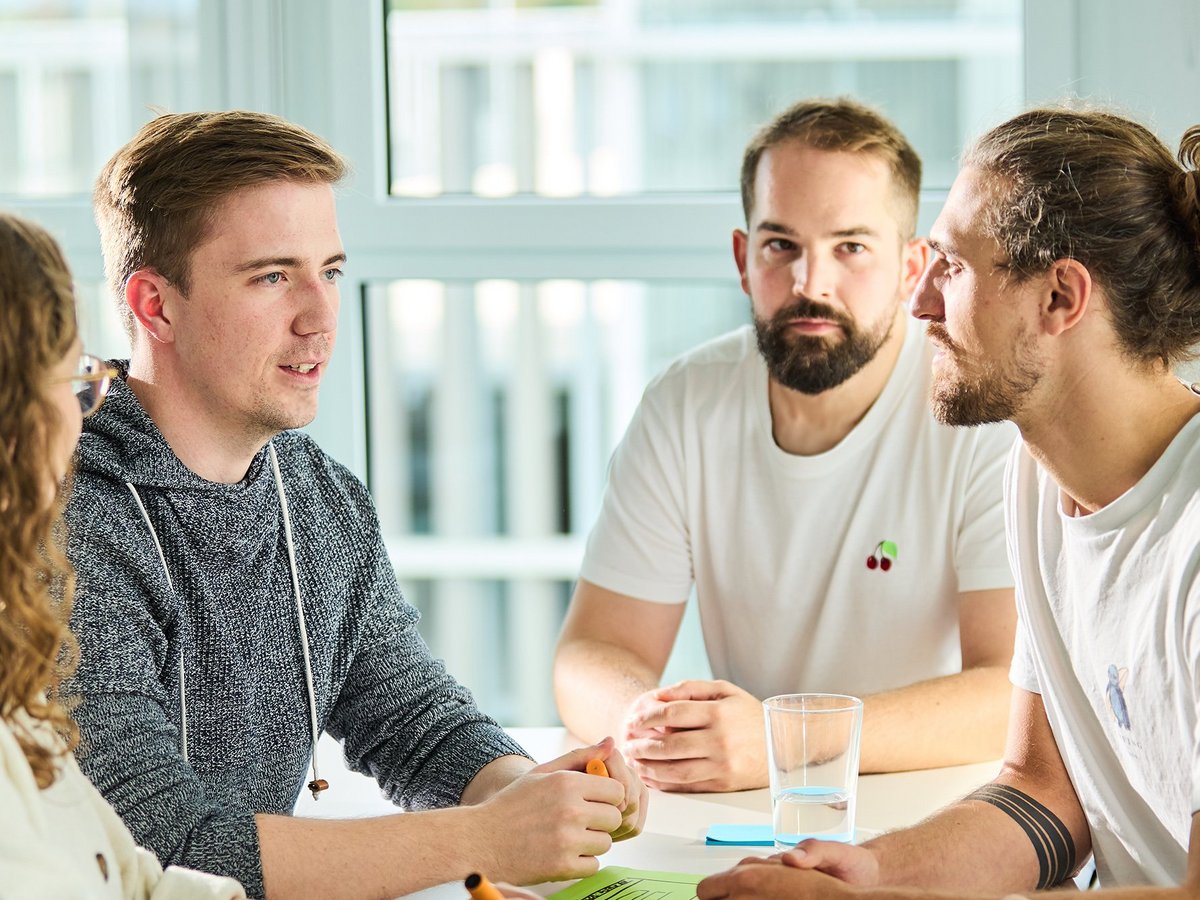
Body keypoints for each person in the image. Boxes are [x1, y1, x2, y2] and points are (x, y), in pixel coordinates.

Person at [64, 110, 646, 900]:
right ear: (155, 304)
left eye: (329, 271)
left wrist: (533, 790)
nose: (320, 315)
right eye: (273, 276)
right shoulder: (66, 517)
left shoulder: (316, 492)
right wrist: (481, 839)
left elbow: (411, 717)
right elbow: (154, 838)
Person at [696, 106, 1200, 899]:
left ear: (1060, 297)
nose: (919, 300)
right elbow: (1042, 795)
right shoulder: (1039, 481)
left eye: (954, 268)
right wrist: (868, 873)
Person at [553, 97, 1018, 792]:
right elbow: (592, 651)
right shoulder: (687, 402)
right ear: (744, 258)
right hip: (743, 812)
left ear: (911, 266)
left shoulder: (976, 413)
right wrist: (650, 724)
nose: (810, 284)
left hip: (938, 809)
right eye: (781, 246)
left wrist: (784, 739)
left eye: (851, 248)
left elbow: (1010, 691)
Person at [0, 212, 245, 898]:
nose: (84, 415)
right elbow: (169, 830)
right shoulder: (93, 529)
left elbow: (132, 878)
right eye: (75, 378)